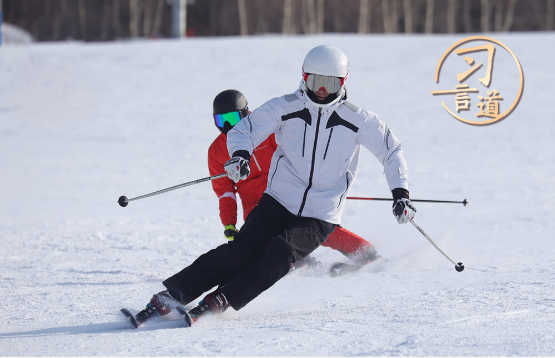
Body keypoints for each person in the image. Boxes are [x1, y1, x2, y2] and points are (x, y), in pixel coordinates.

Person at [132, 45, 416, 327]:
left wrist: (400, 193)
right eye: (315, 81)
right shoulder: (285, 106)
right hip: (277, 201)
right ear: (304, 76)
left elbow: (392, 152)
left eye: (330, 83)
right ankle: (172, 295)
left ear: (343, 81)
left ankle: (223, 299)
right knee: (239, 251)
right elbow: (244, 130)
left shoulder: (358, 120)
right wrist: (241, 155)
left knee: (280, 254)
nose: (321, 89)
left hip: (320, 215)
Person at [208, 89, 377, 266]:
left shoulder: (262, 128)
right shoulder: (216, 151)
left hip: (285, 190)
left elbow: (296, 156)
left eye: (233, 118)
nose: (228, 126)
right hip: (253, 204)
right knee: (265, 235)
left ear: (245, 113)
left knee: (315, 227)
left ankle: (366, 253)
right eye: (222, 120)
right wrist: (229, 223)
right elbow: (225, 192)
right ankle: (303, 264)